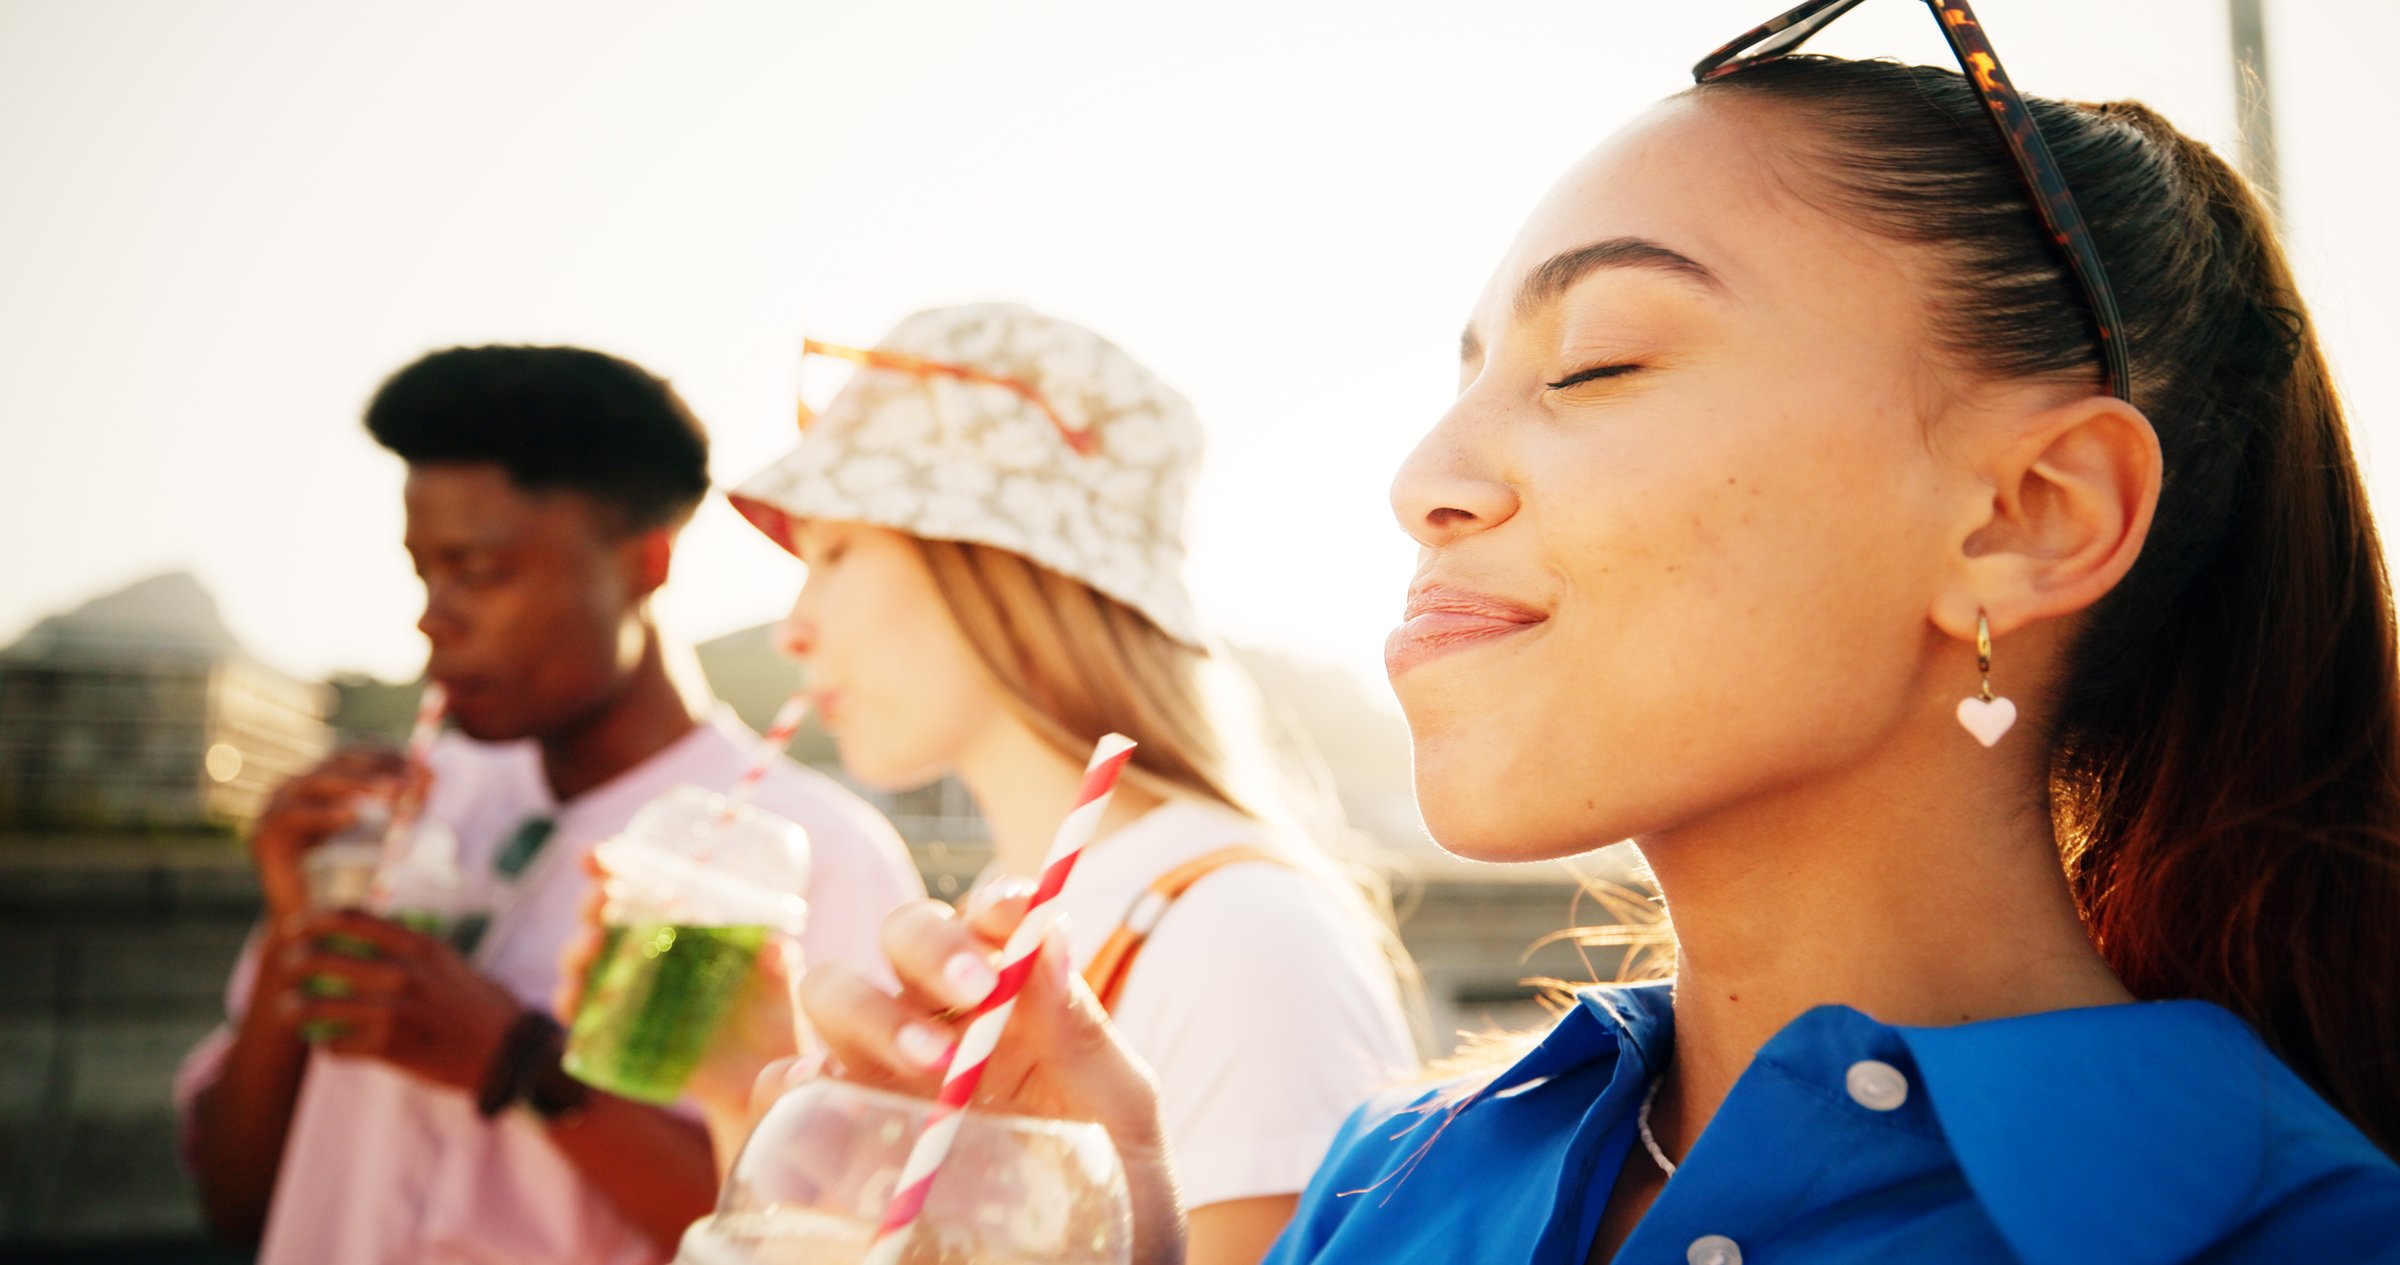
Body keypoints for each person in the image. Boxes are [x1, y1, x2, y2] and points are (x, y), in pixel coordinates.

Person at [797, 9, 2400, 1264]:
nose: (1422, 478)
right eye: (1468, 372)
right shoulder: (1389, 1178)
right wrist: (1104, 1228)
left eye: (1600, 362)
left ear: (2027, 514)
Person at [176, 344, 925, 1265]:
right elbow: (235, 1196)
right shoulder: (395, 821)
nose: (432, 616)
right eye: (424, 572)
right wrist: (299, 935)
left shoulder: (813, 856)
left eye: (480, 571)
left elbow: (828, 1240)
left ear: (644, 562)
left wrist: (515, 1059)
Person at [719, 303, 1419, 1265]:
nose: (792, 627)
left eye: (835, 551)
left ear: (999, 564)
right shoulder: (1028, 907)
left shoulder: (1238, 931)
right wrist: (735, 1097)